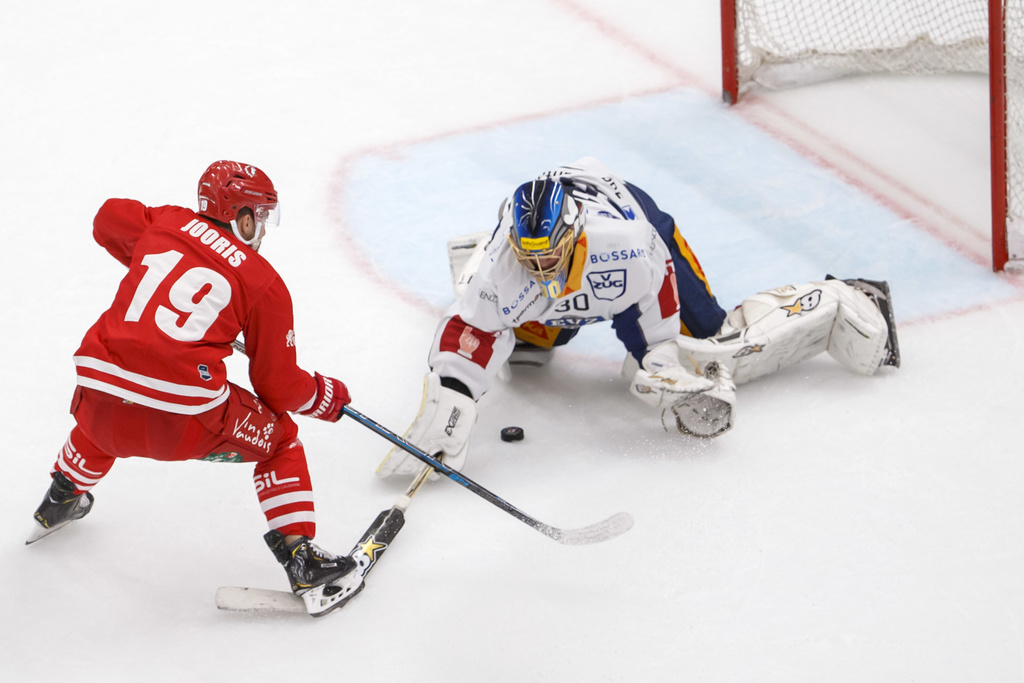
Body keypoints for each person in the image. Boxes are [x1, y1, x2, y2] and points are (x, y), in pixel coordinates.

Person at [377, 156, 899, 477]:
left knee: (713, 342)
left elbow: (654, 307)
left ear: (574, 234)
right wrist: (454, 397)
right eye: (528, 256)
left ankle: (840, 299)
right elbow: (471, 328)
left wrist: (661, 359)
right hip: (570, 265)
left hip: (639, 234)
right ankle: (538, 318)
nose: (539, 266)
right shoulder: (505, 263)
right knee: (524, 337)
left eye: (549, 255)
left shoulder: (630, 246)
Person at [28, 161, 361, 617]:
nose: (262, 230)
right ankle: (301, 556)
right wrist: (323, 395)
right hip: (182, 421)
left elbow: (107, 218)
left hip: (97, 396)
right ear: (243, 217)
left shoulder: (165, 223)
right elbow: (278, 387)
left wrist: (156, 250)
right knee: (280, 439)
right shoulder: (263, 283)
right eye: (260, 218)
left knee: (105, 417)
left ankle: (61, 496)